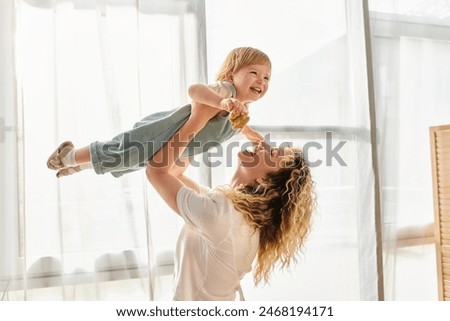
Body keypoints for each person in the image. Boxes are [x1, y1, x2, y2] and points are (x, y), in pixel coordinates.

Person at [146, 101, 316, 300]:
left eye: (271, 153)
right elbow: (175, 175)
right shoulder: (234, 211)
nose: (262, 144)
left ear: (266, 181)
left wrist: (198, 119)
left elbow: (156, 171)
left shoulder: (223, 214)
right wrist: (204, 126)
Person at [46, 47, 271, 178]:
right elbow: (195, 90)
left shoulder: (241, 109)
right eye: (254, 73)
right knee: (122, 152)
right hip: (161, 132)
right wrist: (222, 101)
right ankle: (68, 155)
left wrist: (251, 134)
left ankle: (81, 165)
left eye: (267, 78)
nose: (261, 81)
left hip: (177, 146)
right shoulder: (226, 91)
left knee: (133, 163)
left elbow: (236, 124)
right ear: (231, 76)